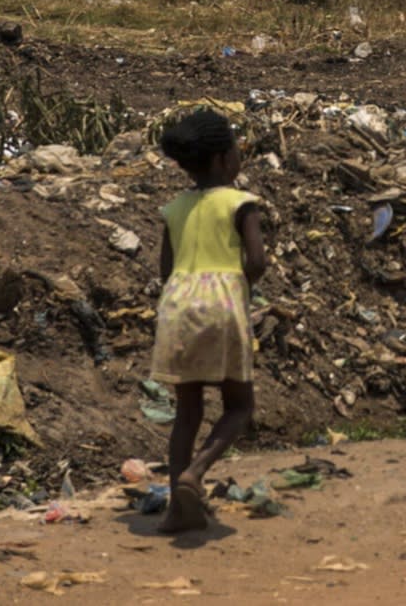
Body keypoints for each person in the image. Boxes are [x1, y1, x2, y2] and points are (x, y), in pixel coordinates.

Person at [152, 108, 269, 532]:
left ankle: (174, 511)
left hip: (178, 305)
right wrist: (241, 291)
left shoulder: (174, 208)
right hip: (222, 302)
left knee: (187, 412)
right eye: (236, 148)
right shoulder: (241, 203)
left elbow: (166, 271)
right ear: (223, 159)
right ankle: (194, 473)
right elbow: (256, 261)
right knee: (239, 405)